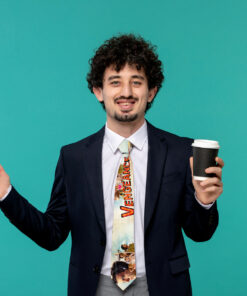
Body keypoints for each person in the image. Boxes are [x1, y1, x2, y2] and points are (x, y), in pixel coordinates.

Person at [0, 34, 224, 296]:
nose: (126, 92)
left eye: (136, 82)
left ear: (151, 91)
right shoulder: (73, 158)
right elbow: (52, 234)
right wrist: (6, 194)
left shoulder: (181, 152)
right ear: (98, 91)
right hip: (96, 287)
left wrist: (204, 202)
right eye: (115, 82)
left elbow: (200, 233)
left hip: (162, 286)